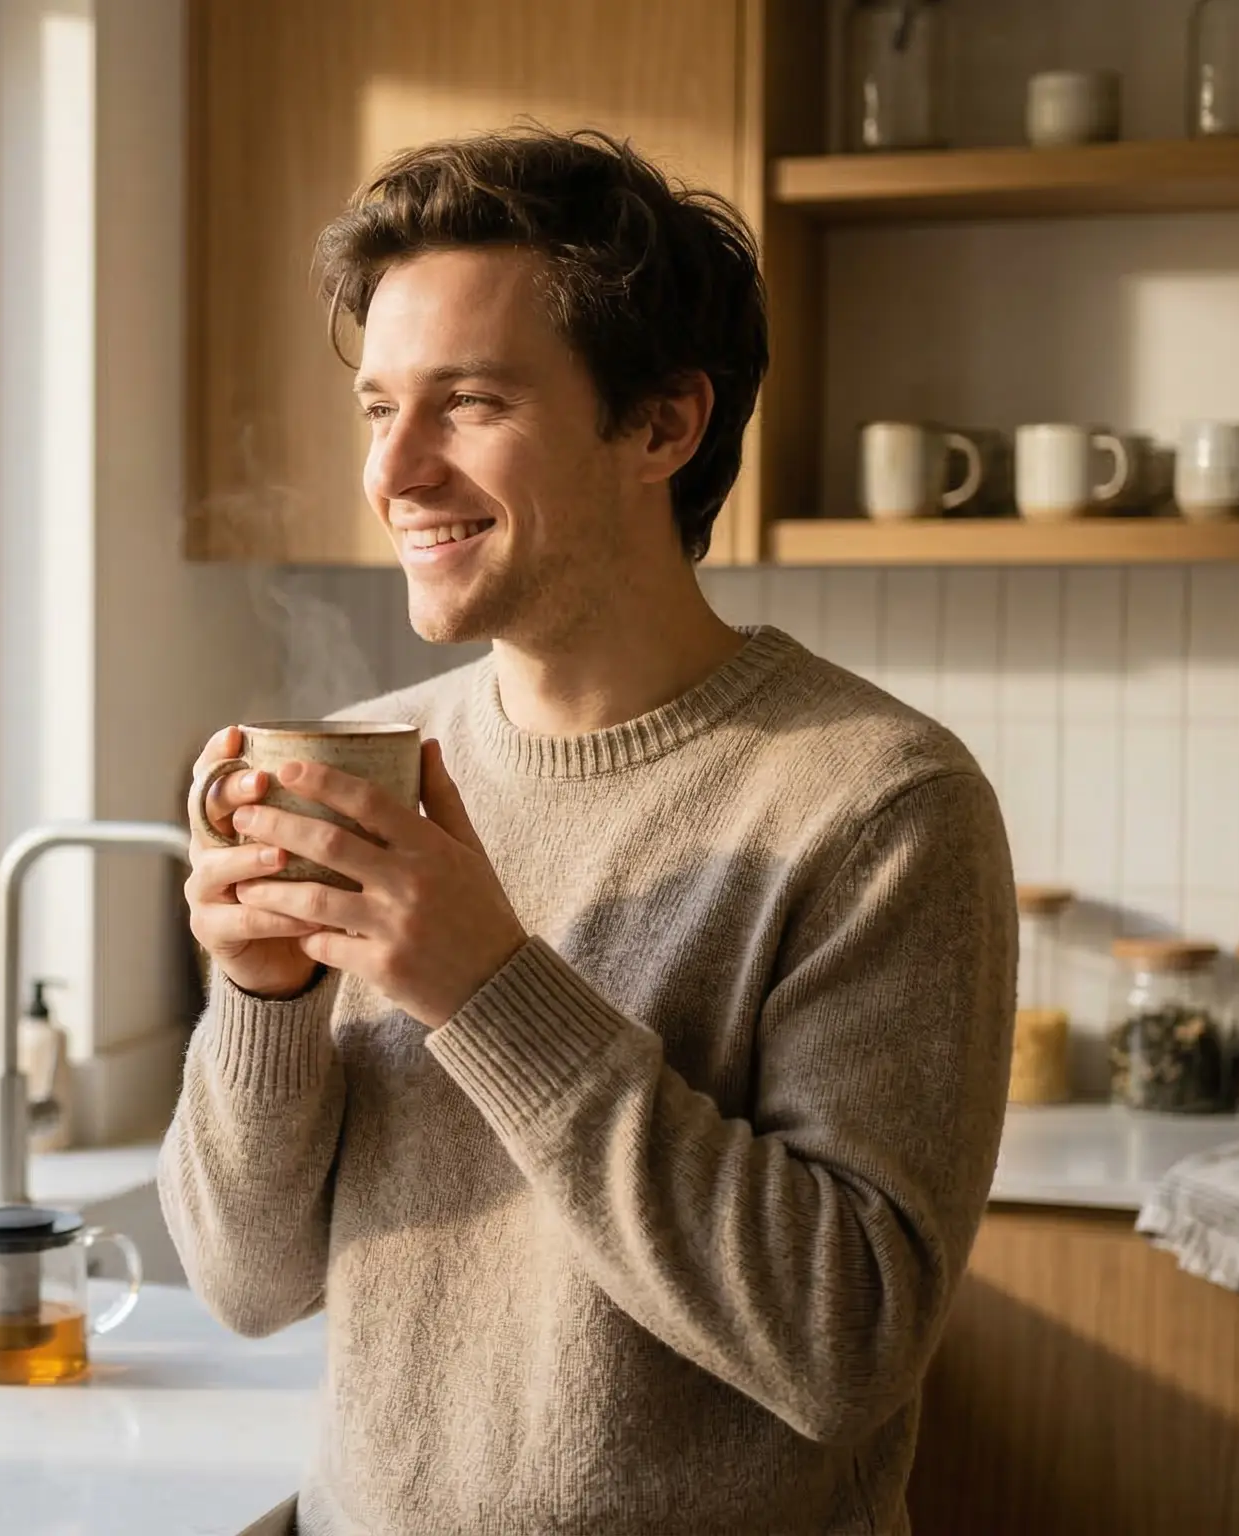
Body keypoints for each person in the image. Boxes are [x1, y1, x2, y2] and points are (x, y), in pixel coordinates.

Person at [161, 127, 1017, 1535]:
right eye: (380, 408)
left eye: (470, 402)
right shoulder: (384, 762)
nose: (396, 472)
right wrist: (266, 998)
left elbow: (842, 1346)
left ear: (663, 426)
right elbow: (248, 1284)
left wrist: (489, 990)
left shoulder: (878, 804)